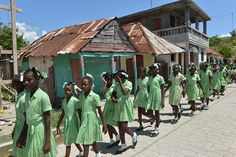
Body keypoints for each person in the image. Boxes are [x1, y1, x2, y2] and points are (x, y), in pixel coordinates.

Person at [19, 67, 57, 157]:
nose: (26, 83)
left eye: (29, 80)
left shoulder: (43, 96)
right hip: (30, 132)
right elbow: (27, 118)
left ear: (37, 79)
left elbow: (47, 119)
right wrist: (22, 136)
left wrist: (47, 141)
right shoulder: (26, 97)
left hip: (40, 132)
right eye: (24, 80)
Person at [76, 74, 107, 157]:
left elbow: (100, 111)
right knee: (90, 138)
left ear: (90, 85)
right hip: (84, 120)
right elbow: (79, 109)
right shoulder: (81, 96)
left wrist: (104, 124)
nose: (83, 86)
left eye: (85, 84)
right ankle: (98, 153)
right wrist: (80, 121)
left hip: (92, 120)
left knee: (86, 143)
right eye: (82, 84)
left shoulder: (95, 96)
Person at [111, 70, 137, 153]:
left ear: (123, 77)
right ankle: (123, 144)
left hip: (125, 105)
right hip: (118, 105)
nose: (117, 80)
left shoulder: (129, 83)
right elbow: (114, 93)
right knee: (119, 125)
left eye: (118, 78)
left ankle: (133, 135)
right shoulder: (117, 85)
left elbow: (125, 92)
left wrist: (121, 83)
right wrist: (113, 98)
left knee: (123, 126)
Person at [56, 82, 83, 157]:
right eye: (65, 90)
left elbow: (79, 112)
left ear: (73, 90)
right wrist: (58, 125)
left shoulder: (75, 100)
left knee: (69, 140)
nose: (67, 92)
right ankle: (81, 151)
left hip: (73, 122)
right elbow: (63, 113)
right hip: (66, 122)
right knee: (72, 138)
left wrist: (81, 123)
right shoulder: (64, 101)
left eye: (69, 90)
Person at [101, 72, 120, 147]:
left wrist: (115, 99)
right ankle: (112, 139)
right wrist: (105, 84)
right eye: (107, 79)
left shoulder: (114, 86)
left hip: (113, 107)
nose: (109, 80)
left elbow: (117, 96)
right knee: (107, 124)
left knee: (108, 124)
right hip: (107, 107)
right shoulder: (105, 87)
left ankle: (117, 136)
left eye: (110, 79)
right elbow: (102, 93)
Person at [147, 63, 165, 136]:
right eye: (151, 69)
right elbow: (148, 87)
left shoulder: (160, 78)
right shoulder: (149, 78)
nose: (152, 70)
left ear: (156, 70)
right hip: (151, 95)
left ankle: (156, 128)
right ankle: (156, 119)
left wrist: (162, 100)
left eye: (153, 69)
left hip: (157, 95)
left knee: (157, 112)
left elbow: (162, 89)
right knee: (149, 111)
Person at [11, 75, 27, 157]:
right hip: (19, 127)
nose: (11, 84)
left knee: (22, 152)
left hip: (23, 129)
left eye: (13, 82)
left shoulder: (24, 98)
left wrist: (22, 136)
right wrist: (14, 129)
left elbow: (27, 118)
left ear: (18, 84)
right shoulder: (19, 96)